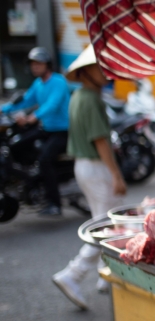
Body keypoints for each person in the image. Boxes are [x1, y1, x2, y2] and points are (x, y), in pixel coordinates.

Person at [51, 45, 127, 310]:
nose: (106, 72)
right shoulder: (91, 99)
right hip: (96, 167)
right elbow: (100, 141)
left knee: (100, 221)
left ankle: (105, 277)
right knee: (105, 227)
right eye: (100, 67)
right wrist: (117, 175)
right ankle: (73, 274)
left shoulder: (79, 96)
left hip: (84, 166)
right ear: (85, 72)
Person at [0, 47, 70, 216]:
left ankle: (55, 203)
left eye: (38, 63)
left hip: (62, 131)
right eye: (33, 64)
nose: (35, 67)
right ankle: (29, 181)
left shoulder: (58, 81)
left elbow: (52, 105)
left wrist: (33, 117)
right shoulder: (38, 84)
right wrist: (3, 109)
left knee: (45, 160)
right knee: (15, 146)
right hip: (45, 129)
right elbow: (24, 101)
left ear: (47, 64)